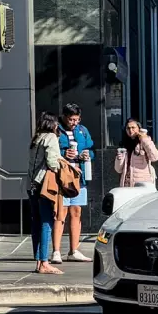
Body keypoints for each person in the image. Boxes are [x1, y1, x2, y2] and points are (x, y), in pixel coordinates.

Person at [51, 103, 94, 264]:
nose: (74, 122)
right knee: (60, 214)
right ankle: (56, 251)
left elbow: (91, 149)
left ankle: (74, 250)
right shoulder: (56, 130)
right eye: (71, 119)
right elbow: (50, 151)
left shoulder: (82, 130)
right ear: (64, 116)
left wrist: (87, 154)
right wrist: (64, 153)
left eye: (77, 119)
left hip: (79, 177)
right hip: (62, 178)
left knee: (76, 212)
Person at [27, 111, 63, 275]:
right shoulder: (51, 138)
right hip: (44, 186)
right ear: (52, 124)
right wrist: (65, 166)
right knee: (47, 222)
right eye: (56, 123)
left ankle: (38, 261)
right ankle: (44, 262)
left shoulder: (36, 138)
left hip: (31, 185)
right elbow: (52, 162)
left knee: (36, 223)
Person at [115, 118, 158, 187]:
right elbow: (118, 169)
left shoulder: (144, 141)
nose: (130, 130)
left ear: (139, 128)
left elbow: (155, 157)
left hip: (142, 183)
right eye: (128, 128)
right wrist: (119, 158)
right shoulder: (124, 145)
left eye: (133, 127)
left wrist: (144, 139)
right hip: (127, 185)